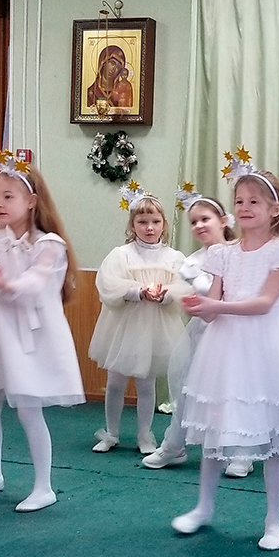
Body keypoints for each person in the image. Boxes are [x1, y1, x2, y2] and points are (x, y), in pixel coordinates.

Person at [171, 149, 279, 551]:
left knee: (273, 433)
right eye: (239, 201)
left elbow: (265, 302)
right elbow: (215, 306)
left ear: (275, 209)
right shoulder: (221, 253)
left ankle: (274, 519)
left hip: (268, 346)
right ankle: (203, 506)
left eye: (255, 201)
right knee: (217, 426)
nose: (245, 207)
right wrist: (200, 306)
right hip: (226, 348)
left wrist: (215, 306)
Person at [0, 151, 84, 512]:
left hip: (31, 335)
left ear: (31, 201)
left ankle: (44, 486)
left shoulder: (49, 245)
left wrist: (5, 284)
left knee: (28, 408)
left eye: (8, 196)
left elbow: (37, 284)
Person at [141, 185, 255, 477]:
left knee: (235, 392)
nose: (199, 225)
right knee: (189, 389)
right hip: (204, 334)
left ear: (223, 221)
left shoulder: (242, 252)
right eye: (194, 222)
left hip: (237, 332)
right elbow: (203, 298)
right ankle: (174, 445)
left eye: (205, 219)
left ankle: (241, 452)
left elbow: (238, 294)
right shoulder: (191, 262)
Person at [89, 183, 188, 454]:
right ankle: (111, 433)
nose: (149, 228)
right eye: (142, 222)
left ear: (164, 223)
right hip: (124, 327)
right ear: (132, 224)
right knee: (115, 382)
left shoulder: (173, 258)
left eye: (155, 221)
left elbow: (183, 287)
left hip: (156, 329)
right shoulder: (121, 255)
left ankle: (145, 435)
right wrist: (138, 292)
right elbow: (108, 285)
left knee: (146, 383)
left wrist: (164, 295)